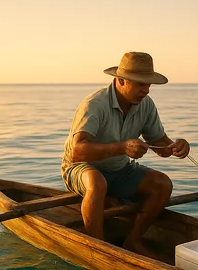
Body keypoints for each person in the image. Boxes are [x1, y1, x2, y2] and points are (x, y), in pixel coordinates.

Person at [61, 52, 190, 258]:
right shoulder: (94, 104)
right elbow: (77, 152)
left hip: (120, 169)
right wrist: (122, 148)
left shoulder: (146, 105)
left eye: (148, 85)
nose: (146, 90)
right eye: (140, 84)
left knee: (162, 184)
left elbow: (161, 146)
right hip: (81, 168)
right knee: (97, 182)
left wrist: (178, 147)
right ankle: (98, 249)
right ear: (120, 80)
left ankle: (133, 241)